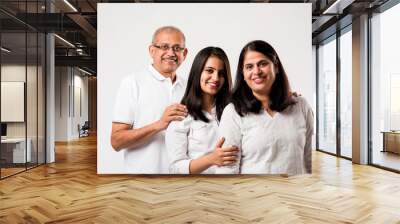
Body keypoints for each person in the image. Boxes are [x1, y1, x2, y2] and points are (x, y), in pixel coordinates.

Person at [216, 40, 313, 175]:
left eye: (263, 64)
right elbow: (227, 170)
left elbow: (308, 160)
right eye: (249, 67)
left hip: (295, 193)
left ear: (276, 67)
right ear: (243, 74)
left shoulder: (301, 106)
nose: (256, 71)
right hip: (253, 194)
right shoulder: (233, 112)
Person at [110, 26, 190, 174]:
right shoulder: (132, 83)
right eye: (164, 47)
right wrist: (160, 124)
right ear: (152, 51)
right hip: (143, 182)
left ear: (184, 54)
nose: (171, 53)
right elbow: (116, 141)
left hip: (182, 180)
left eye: (177, 48)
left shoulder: (189, 87)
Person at [165, 47, 239, 174]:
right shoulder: (181, 116)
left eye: (221, 73)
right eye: (209, 71)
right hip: (197, 190)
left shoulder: (233, 112)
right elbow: (176, 168)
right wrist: (211, 159)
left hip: (232, 188)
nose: (215, 78)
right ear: (197, 72)